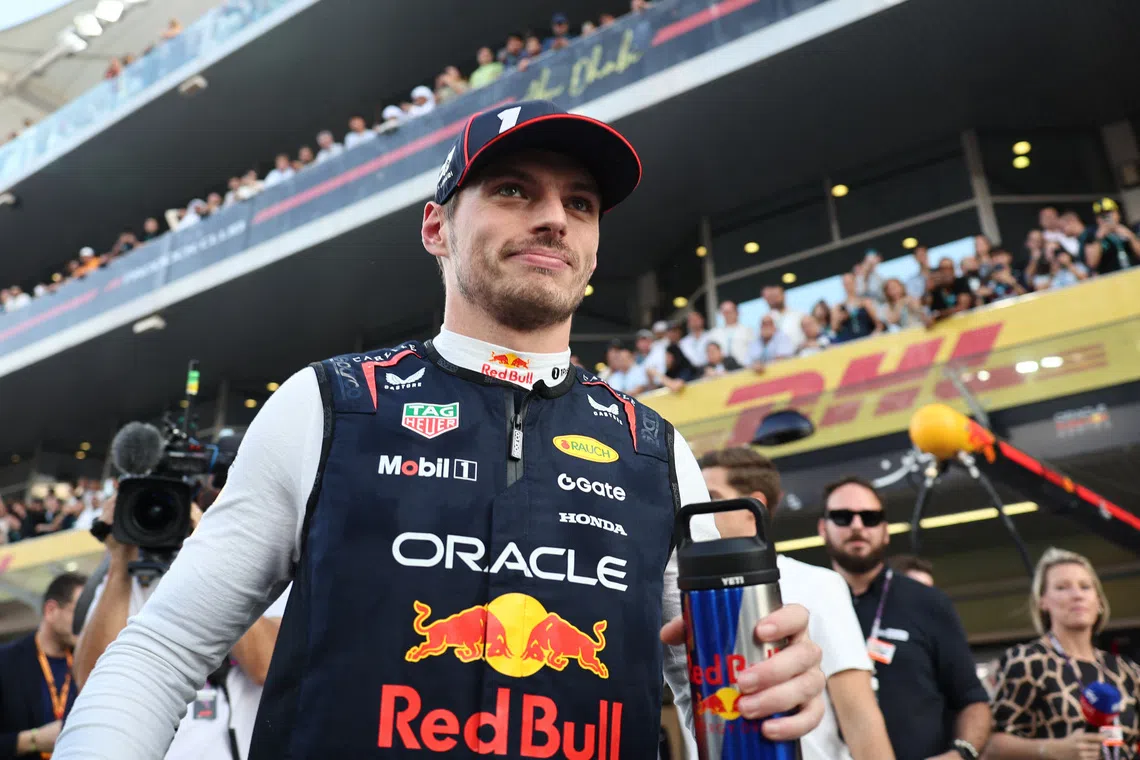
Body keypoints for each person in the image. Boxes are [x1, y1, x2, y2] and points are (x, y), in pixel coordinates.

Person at [55, 100, 825, 759]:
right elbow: (160, 652)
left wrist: (774, 697)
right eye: (514, 190)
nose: (554, 218)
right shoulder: (328, 403)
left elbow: (714, 694)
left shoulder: (655, 449)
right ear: (436, 227)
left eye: (580, 204)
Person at [699, 448, 895, 760]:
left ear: (754, 506)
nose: (697, 510)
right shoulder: (683, 594)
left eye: (711, 497)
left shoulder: (817, 583)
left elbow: (859, 715)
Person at [72, 496, 290, 760]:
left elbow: (265, 666)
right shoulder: (121, 585)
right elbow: (92, 685)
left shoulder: (263, 573)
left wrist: (209, 548)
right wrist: (119, 558)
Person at [819, 476, 991, 760]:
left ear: (885, 530)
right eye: (842, 517)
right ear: (823, 528)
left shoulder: (927, 601)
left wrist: (961, 754)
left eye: (870, 517)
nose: (857, 526)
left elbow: (972, 701)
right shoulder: (805, 601)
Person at [987, 547, 1139, 760]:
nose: (1077, 595)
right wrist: (1050, 749)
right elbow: (989, 745)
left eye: (1085, 587)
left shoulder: (1127, 671)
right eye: (1062, 588)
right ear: (1043, 602)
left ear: (1099, 602)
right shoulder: (1029, 661)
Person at [0, 572, 86, 758]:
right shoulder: (6, 661)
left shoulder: (91, 662)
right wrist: (33, 740)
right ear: (51, 610)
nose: (86, 622)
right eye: (80, 612)